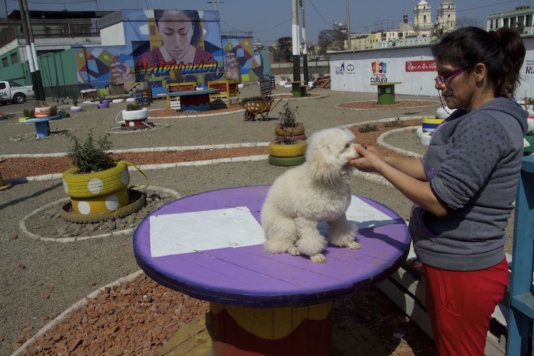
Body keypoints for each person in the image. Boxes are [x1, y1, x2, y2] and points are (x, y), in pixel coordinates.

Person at [349, 26, 527, 355]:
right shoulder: (470, 116)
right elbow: (431, 169)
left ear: (478, 73)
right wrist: (380, 155)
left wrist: (381, 168)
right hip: (453, 266)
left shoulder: (487, 125)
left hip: (464, 272)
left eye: (446, 75)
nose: (438, 83)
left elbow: (441, 200)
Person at [138, 9, 213, 66]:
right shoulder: (146, 61)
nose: (177, 44)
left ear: (192, 29)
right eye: (168, 33)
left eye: (184, 32)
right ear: (158, 30)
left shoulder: (207, 59)